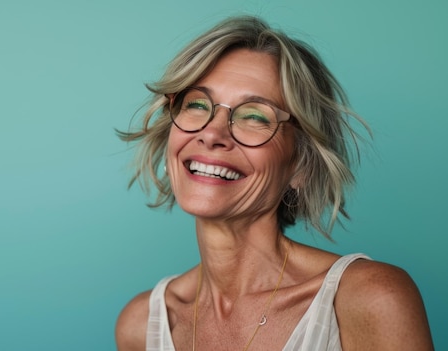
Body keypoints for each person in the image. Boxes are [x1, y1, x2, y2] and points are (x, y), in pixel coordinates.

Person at [115, 15, 434, 351]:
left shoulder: (369, 297)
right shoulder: (141, 326)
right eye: (196, 104)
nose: (212, 134)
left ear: (300, 164)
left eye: (254, 115)